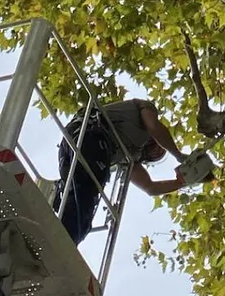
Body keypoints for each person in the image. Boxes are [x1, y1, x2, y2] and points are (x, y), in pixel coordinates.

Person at [53, 98, 196, 243]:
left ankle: (59, 210)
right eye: (160, 147)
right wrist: (179, 155)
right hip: (90, 136)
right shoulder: (144, 108)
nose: (157, 149)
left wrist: (183, 181)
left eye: (156, 154)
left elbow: (150, 187)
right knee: (84, 201)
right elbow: (153, 127)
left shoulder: (129, 155)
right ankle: (62, 240)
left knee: (83, 209)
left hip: (74, 149)